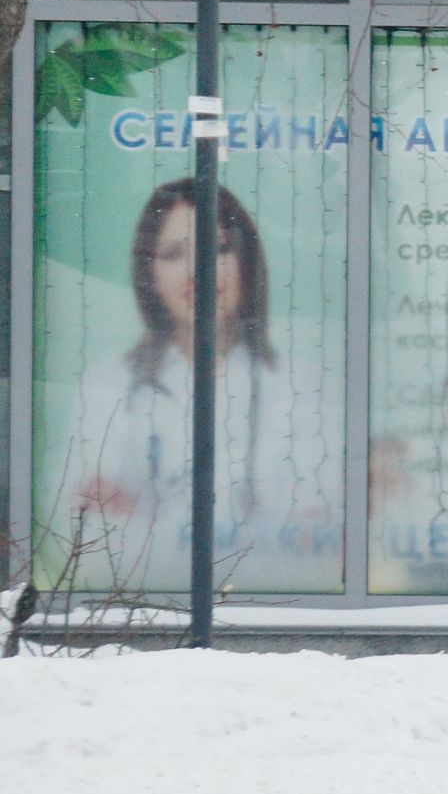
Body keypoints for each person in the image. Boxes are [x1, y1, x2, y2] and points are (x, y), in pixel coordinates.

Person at [67, 178, 338, 591]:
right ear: (149, 274)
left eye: (219, 248)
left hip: (272, 604)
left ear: (246, 261)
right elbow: (90, 532)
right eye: (174, 254)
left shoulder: (301, 385)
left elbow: (317, 534)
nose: (199, 271)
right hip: (146, 600)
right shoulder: (110, 387)